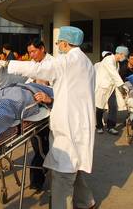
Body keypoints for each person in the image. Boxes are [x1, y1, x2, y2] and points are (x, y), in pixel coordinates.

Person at [8, 26, 96, 209]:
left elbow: (39, 70)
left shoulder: (67, 61)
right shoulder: (86, 62)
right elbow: (70, 89)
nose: (58, 46)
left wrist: (9, 65)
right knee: (74, 166)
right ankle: (86, 202)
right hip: (81, 120)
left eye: (58, 43)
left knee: (62, 173)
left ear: (64, 43)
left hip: (70, 124)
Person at [25, 38, 54, 191]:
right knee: (39, 147)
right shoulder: (34, 65)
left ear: (42, 48)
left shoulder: (53, 64)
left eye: (33, 51)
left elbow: (57, 88)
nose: (31, 55)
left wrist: (45, 88)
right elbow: (29, 83)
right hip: (34, 110)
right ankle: (38, 179)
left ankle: (39, 180)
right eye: (29, 52)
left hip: (48, 110)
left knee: (44, 146)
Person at [94, 46, 129, 135]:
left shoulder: (116, 63)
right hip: (103, 87)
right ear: (120, 54)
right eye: (125, 56)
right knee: (99, 107)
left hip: (111, 87)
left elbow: (115, 75)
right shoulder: (108, 60)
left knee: (113, 106)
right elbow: (114, 74)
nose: (125, 58)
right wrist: (122, 86)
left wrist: (121, 86)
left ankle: (111, 127)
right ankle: (99, 126)